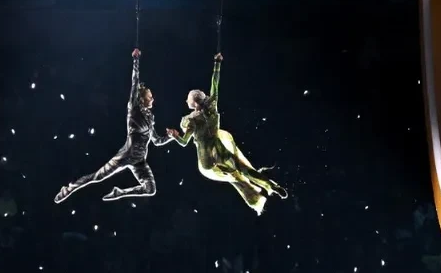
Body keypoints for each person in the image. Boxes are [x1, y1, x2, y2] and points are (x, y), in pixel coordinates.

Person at [167, 54, 287, 214]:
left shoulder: (191, 120)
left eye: (188, 99)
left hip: (207, 157)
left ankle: (260, 192)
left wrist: (174, 135)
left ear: (194, 103)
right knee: (242, 169)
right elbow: (215, 83)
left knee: (235, 176)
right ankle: (271, 185)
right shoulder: (212, 106)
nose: (186, 101)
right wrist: (217, 63)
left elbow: (183, 142)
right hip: (220, 149)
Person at [55, 49, 171, 204]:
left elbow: (156, 141)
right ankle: (69, 188)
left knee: (151, 189)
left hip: (139, 161)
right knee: (97, 177)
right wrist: (136, 60)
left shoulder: (150, 118)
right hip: (125, 155)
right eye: (150, 96)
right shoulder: (134, 108)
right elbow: (135, 82)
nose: (153, 98)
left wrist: (170, 137)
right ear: (141, 98)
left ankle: (119, 192)